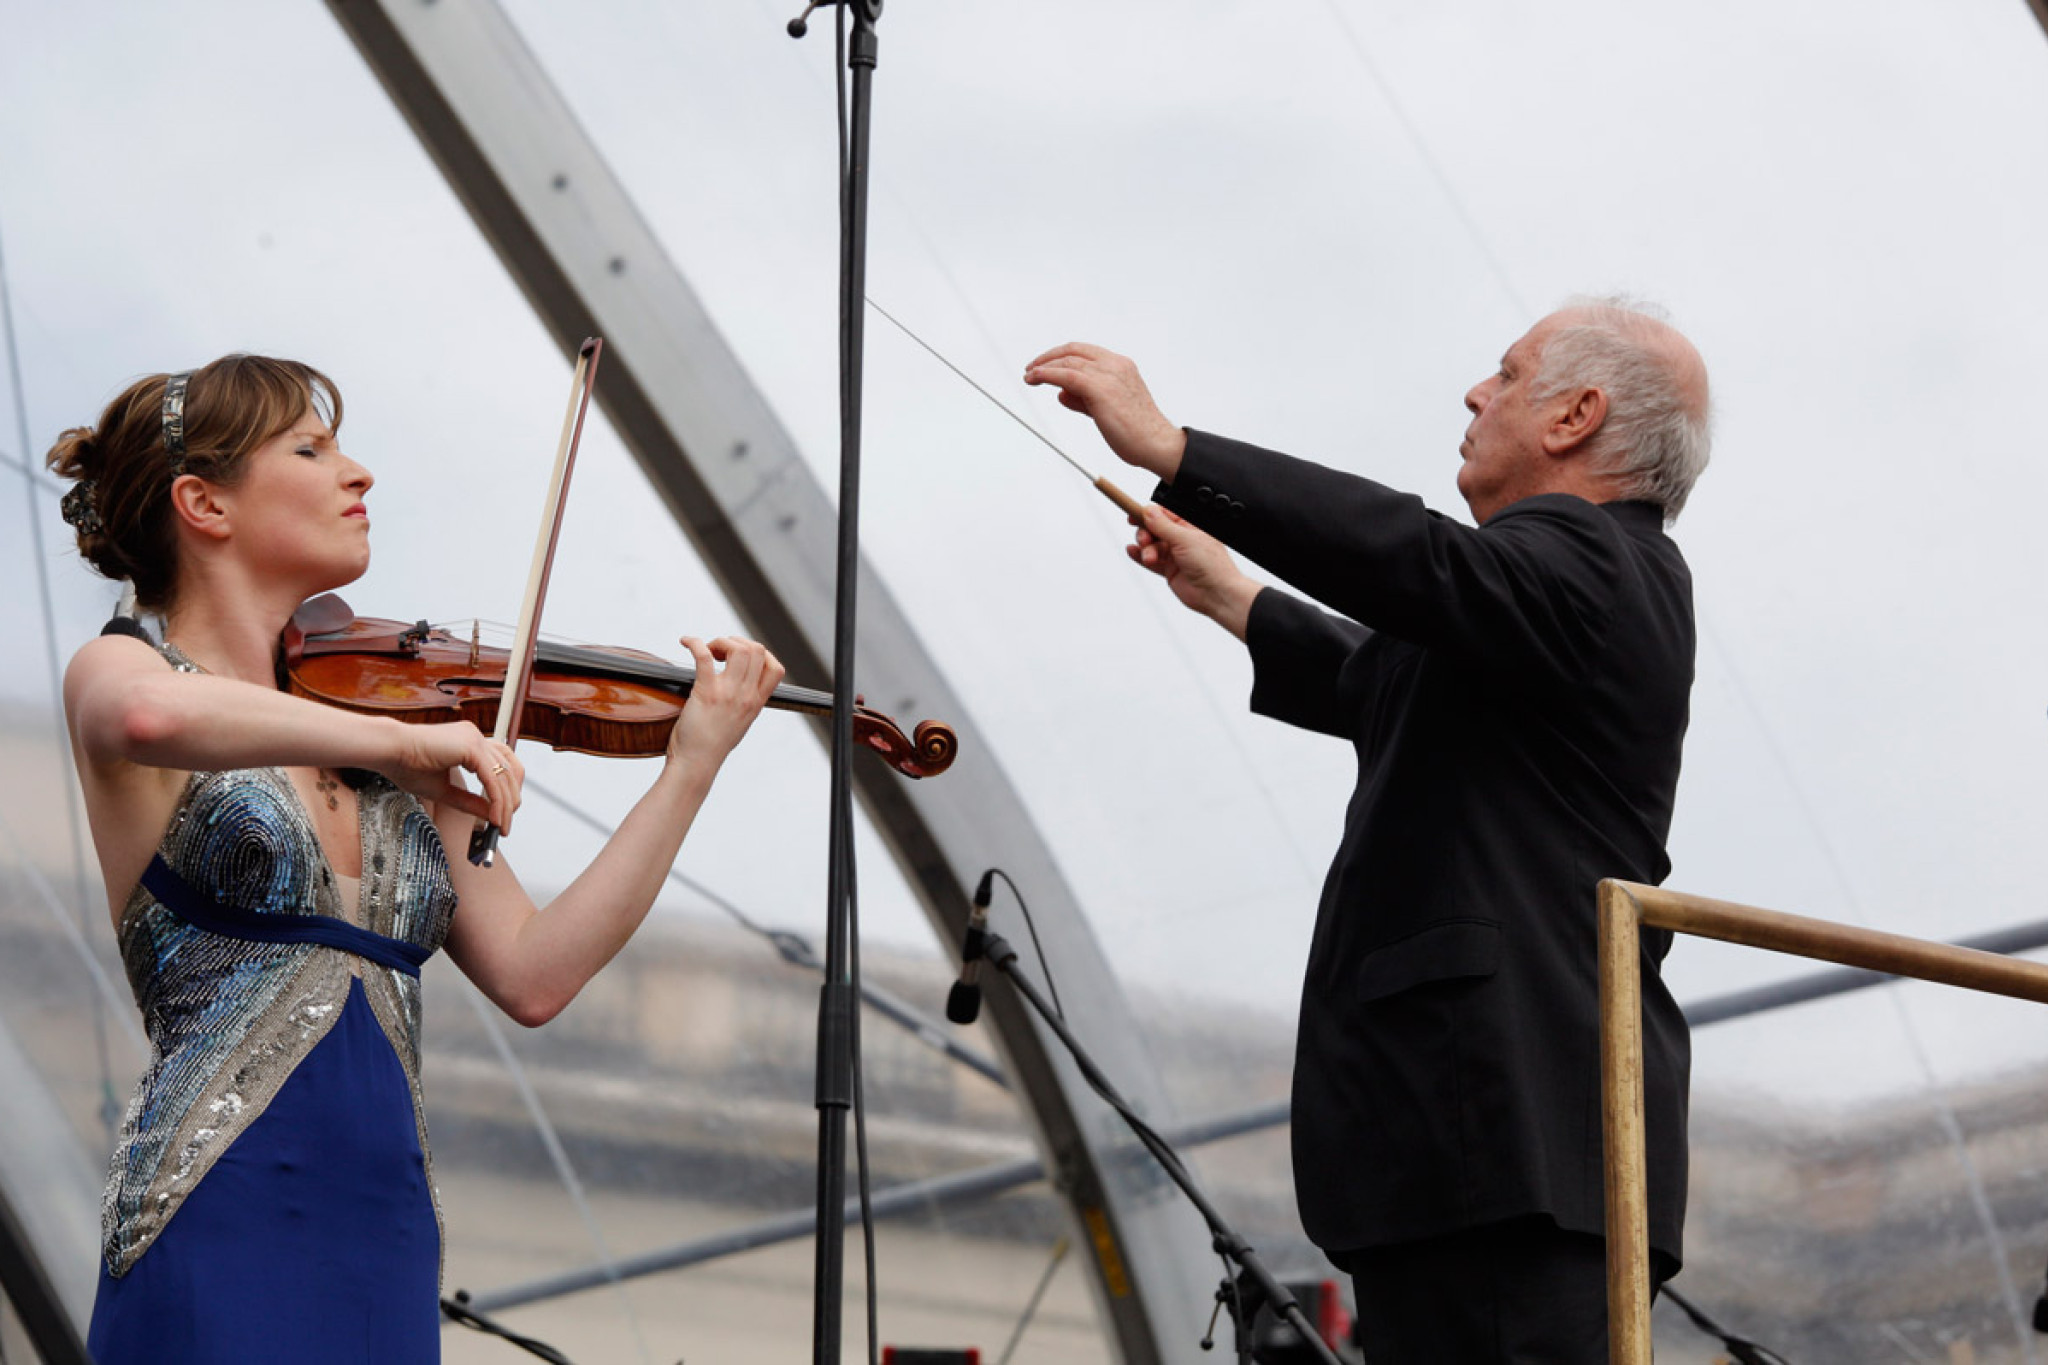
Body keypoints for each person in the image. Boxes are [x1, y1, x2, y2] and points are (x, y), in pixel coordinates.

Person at [48, 354, 784, 1363]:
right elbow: (144, 715)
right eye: (311, 449)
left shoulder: (382, 718)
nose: (360, 475)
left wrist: (688, 768)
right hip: (216, 1208)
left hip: (383, 1237)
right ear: (202, 503)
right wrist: (403, 743)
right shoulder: (130, 665)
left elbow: (534, 973)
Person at [1025, 297, 1708, 1362]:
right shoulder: (1548, 601)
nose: (1476, 394)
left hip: (1507, 1134)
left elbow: (1410, 561)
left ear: (1574, 416)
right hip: (1479, 1146)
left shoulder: (1590, 557)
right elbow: (1382, 675)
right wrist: (1233, 595)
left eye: (1506, 373)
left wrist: (1176, 450)